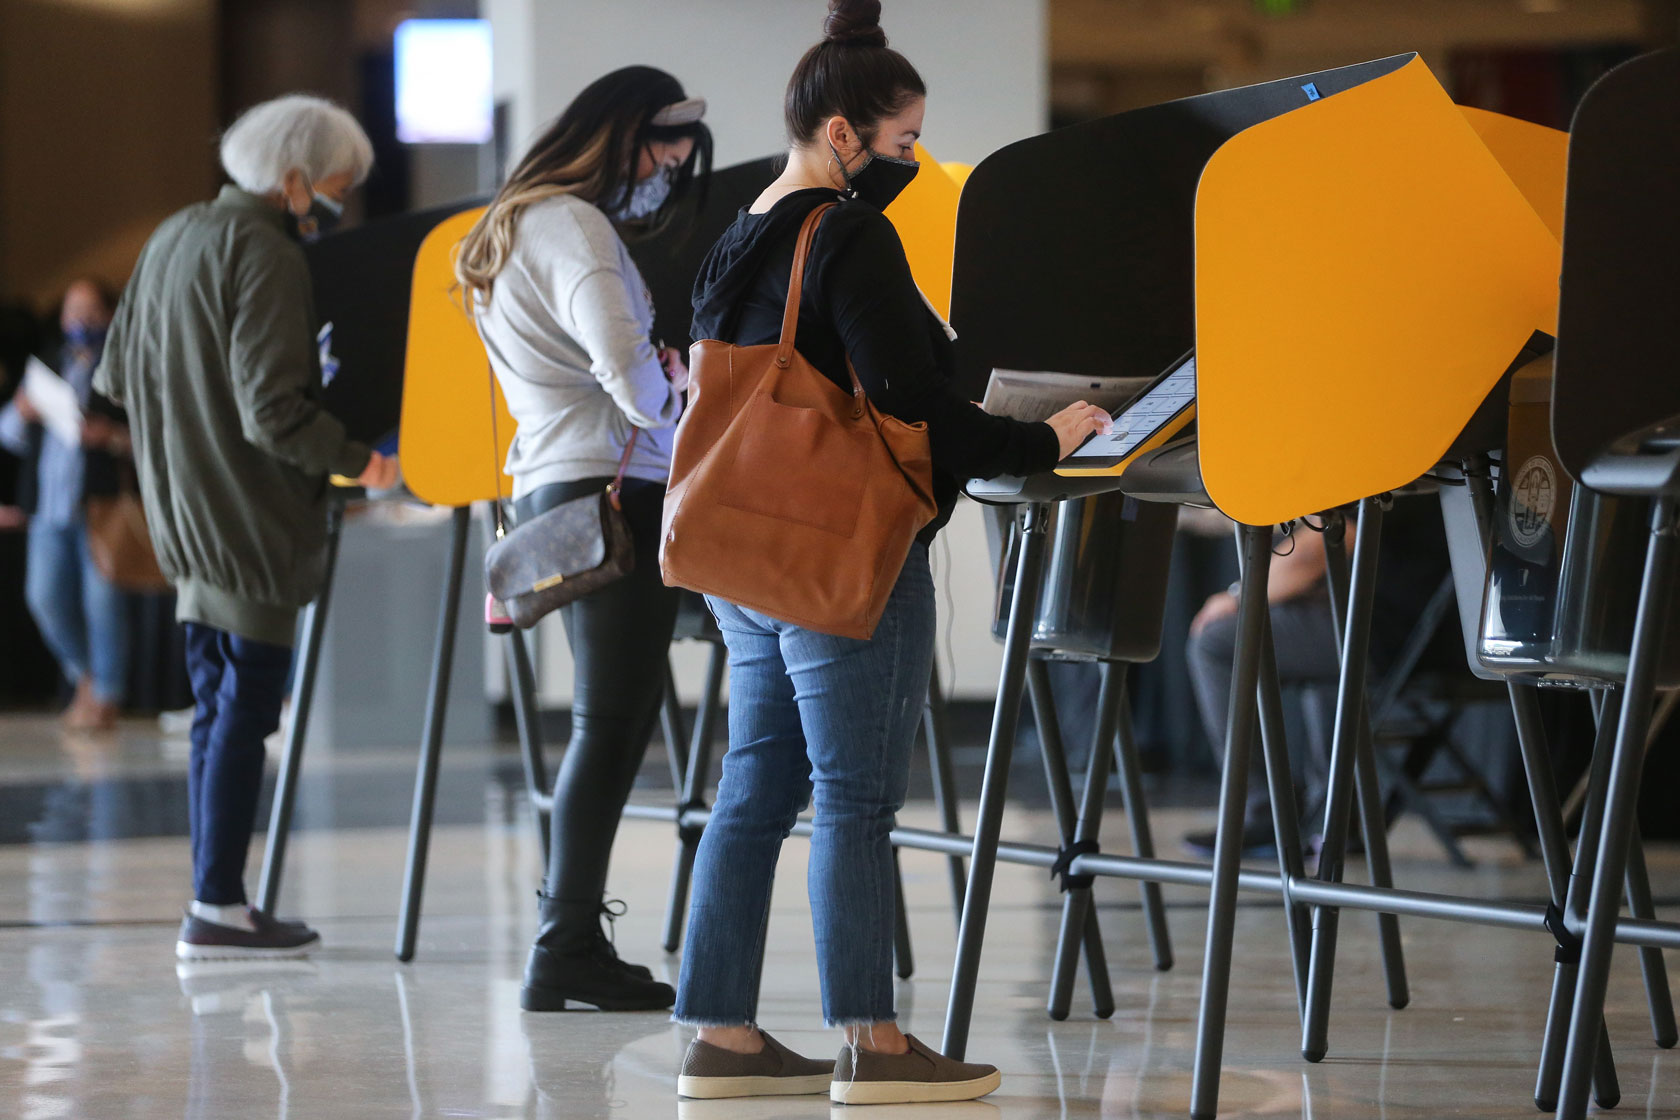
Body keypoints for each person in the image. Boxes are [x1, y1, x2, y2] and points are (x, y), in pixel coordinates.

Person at [670, 0, 1111, 1105]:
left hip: (745, 556)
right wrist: (1037, 438)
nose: (914, 160)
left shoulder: (742, 227)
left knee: (753, 787)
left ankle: (720, 1036)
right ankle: (871, 1039)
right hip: (834, 556)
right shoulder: (849, 231)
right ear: (843, 131)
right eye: (905, 141)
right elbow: (908, 397)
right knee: (856, 798)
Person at [94, 94, 397, 959]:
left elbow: (118, 376)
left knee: (212, 711)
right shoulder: (265, 252)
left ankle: (213, 897)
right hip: (252, 526)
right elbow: (273, 411)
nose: (337, 202)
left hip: (183, 519)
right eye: (335, 185)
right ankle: (219, 905)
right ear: (294, 178)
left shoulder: (171, 236)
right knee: (246, 714)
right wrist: (358, 459)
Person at [455, 66, 712, 1013]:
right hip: (609, 492)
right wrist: (674, 382)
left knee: (610, 722)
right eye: (663, 154)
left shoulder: (517, 224)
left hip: (554, 486)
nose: (665, 176)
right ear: (622, 137)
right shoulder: (576, 226)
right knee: (611, 724)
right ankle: (565, 945)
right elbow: (631, 384)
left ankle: (568, 942)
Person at [0, 280, 132, 731]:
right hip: (47, 507)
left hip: (99, 507)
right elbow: (8, 435)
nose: (80, 319)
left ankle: (107, 696)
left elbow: (154, 440)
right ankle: (87, 678)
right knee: (45, 598)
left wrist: (111, 437)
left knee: (102, 604)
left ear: (110, 315)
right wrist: (20, 409)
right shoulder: (46, 368)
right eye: (72, 310)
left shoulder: (122, 368)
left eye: (90, 310)